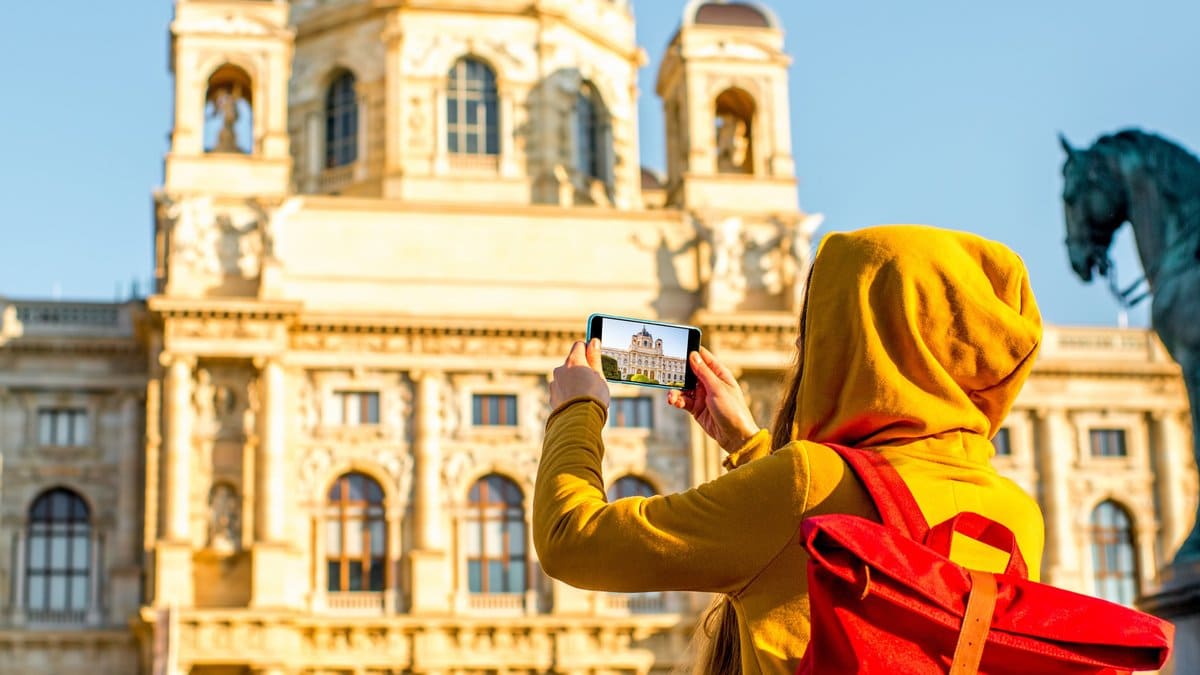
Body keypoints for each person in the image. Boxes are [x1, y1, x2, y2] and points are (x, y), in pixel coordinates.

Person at [533, 225, 1046, 675]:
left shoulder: (804, 480)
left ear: (860, 345)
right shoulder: (1017, 515)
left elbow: (570, 539)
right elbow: (826, 550)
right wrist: (750, 446)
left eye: (818, 331)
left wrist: (577, 409)